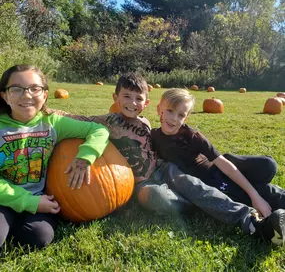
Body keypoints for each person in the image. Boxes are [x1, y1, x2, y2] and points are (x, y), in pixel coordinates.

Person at [54, 72, 285, 246]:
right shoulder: (108, 120)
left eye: (138, 99)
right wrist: (47, 111)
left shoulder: (147, 123)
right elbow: (79, 118)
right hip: (140, 182)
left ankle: (251, 222)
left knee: (195, 186)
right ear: (116, 97)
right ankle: (197, 207)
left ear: (146, 104)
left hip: (165, 168)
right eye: (126, 97)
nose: (132, 103)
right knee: (155, 197)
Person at [0, 65, 109, 253]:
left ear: (45, 95)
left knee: (39, 236)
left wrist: (85, 157)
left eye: (35, 89)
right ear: (4, 95)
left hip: (39, 198)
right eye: (16, 89)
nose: (27, 96)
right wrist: (28, 202)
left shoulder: (52, 123)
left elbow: (99, 130)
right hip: (4, 198)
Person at [151, 88, 285, 218]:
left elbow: (224, 165)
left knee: (268, 166)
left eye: (181, 115)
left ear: (185, 118)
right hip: (201, 186)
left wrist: (255, 197)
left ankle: (258, 191)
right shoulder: (152, 136)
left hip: (217, 172)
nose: (174, 118)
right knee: (242, 195)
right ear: (159, 110)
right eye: (170, 111)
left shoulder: (192, 136)